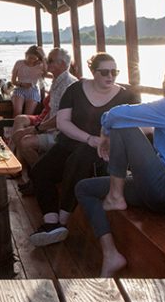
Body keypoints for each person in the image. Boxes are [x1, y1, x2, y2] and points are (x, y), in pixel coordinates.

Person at [75, 60, 165, 277]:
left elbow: (115, 115)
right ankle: (111, 254)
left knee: (123, 128)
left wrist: (105, 133)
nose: (163, 81)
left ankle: (115, 196)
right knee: (85, 189)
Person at [29, 53, 138, 247]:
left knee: (78, 160)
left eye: (114, 72)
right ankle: (51, 221)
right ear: (93, 72)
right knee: (40, 170)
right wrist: (89, 138)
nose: (110, 76)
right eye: (104, 72)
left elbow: (137, 126)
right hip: (70, 143)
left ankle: (62, 221)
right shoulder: (75, 89)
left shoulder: (127, 96)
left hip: (102, 152)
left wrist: (104, 141)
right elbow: (63, 123)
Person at [9, 48, 78, 189]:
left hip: (61, 134)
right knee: (18, 135)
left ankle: (40, 178)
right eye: (47, 60)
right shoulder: (57, 81)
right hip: (50, 128)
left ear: (63, 64)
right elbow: (52, 111)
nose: (47, 63)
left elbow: (61, 118)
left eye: (50, 61)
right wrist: (37, 127)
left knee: (25, 142)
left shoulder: (68, 84)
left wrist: (36, 129)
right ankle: (35, 175)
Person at [10, 45, 47, 117]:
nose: (31, 60)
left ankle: (24, 127)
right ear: (26, 55)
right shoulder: (19, 63)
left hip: (33, 90)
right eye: (29, 57)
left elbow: (46, 71)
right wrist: (22, 84)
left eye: (34, 59)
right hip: (19, 89)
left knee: (28, 114)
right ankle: (15, 127)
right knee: (17, 112)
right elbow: (13, 81)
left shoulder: (39, 66)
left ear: (38, 59)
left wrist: (43, 57)